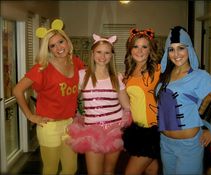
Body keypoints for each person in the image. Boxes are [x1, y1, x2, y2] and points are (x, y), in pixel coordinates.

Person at [13, 19, 84, 175]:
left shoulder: (76, 62)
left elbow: (83, 83)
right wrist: (31, 116)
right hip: (50, 126)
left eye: (61, 42)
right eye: (53, 45)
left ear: (67, 41)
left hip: (70, 124)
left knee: (71, 169)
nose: (59, 48)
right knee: (51, 169)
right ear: (48, 49)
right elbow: (17, 90)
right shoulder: (42, 68)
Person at [155, 26, 211, 174]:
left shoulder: (200, 76)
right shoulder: (165, 75)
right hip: (165, 143)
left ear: (189, 49)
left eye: (181, 48)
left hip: (189, 145)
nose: (176, 54)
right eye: (171, 49)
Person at [66, 33, 131, 175]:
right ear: (92, 53)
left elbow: (127, 106)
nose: (103, 56)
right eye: (99, 52)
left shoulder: (117, 78)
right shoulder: (82, 75)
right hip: (91, 132)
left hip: (114, 131)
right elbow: (69, 98)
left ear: (112, 55)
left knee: (109, 171)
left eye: (107, 53)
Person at [122, 28, 161, 175]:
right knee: (151, 168)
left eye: (144, 46)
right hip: (137, 129)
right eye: (136, 46)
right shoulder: (128, 73)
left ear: (150, 49)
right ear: (130, 49)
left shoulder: (158, 70)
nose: (140, 51)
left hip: (153, 129)